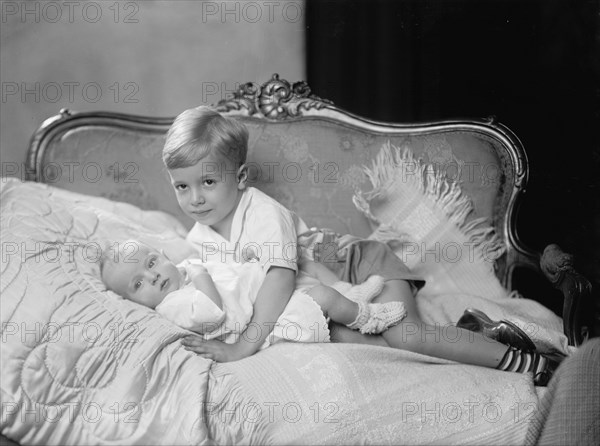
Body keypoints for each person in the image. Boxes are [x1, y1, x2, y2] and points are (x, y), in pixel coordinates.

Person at [162, 105, 559, 385]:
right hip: (332, 293)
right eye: (183, 186)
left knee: (407, 338)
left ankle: (530, 363)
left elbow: (279, 281)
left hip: (361, 267)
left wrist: (243, 347)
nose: (195, 198)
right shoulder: (200, 239)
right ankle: (481, 335)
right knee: (369, 346)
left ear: (242, 175)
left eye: (208, 182)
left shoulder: (262, 212)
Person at [99, 239, 406, 347]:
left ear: (162, 254)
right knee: (322, 298)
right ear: (133, 301)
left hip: (262, 293)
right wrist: (200, 272)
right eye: (138, 284)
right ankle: (368, 318)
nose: (152, 277)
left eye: (151, 263)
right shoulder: (171, 305)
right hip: (262, 323)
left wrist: (242, 262)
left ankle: (352, 294)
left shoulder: (181, 271)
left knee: (300, 270)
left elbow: (228, 275)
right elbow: (211, 310)